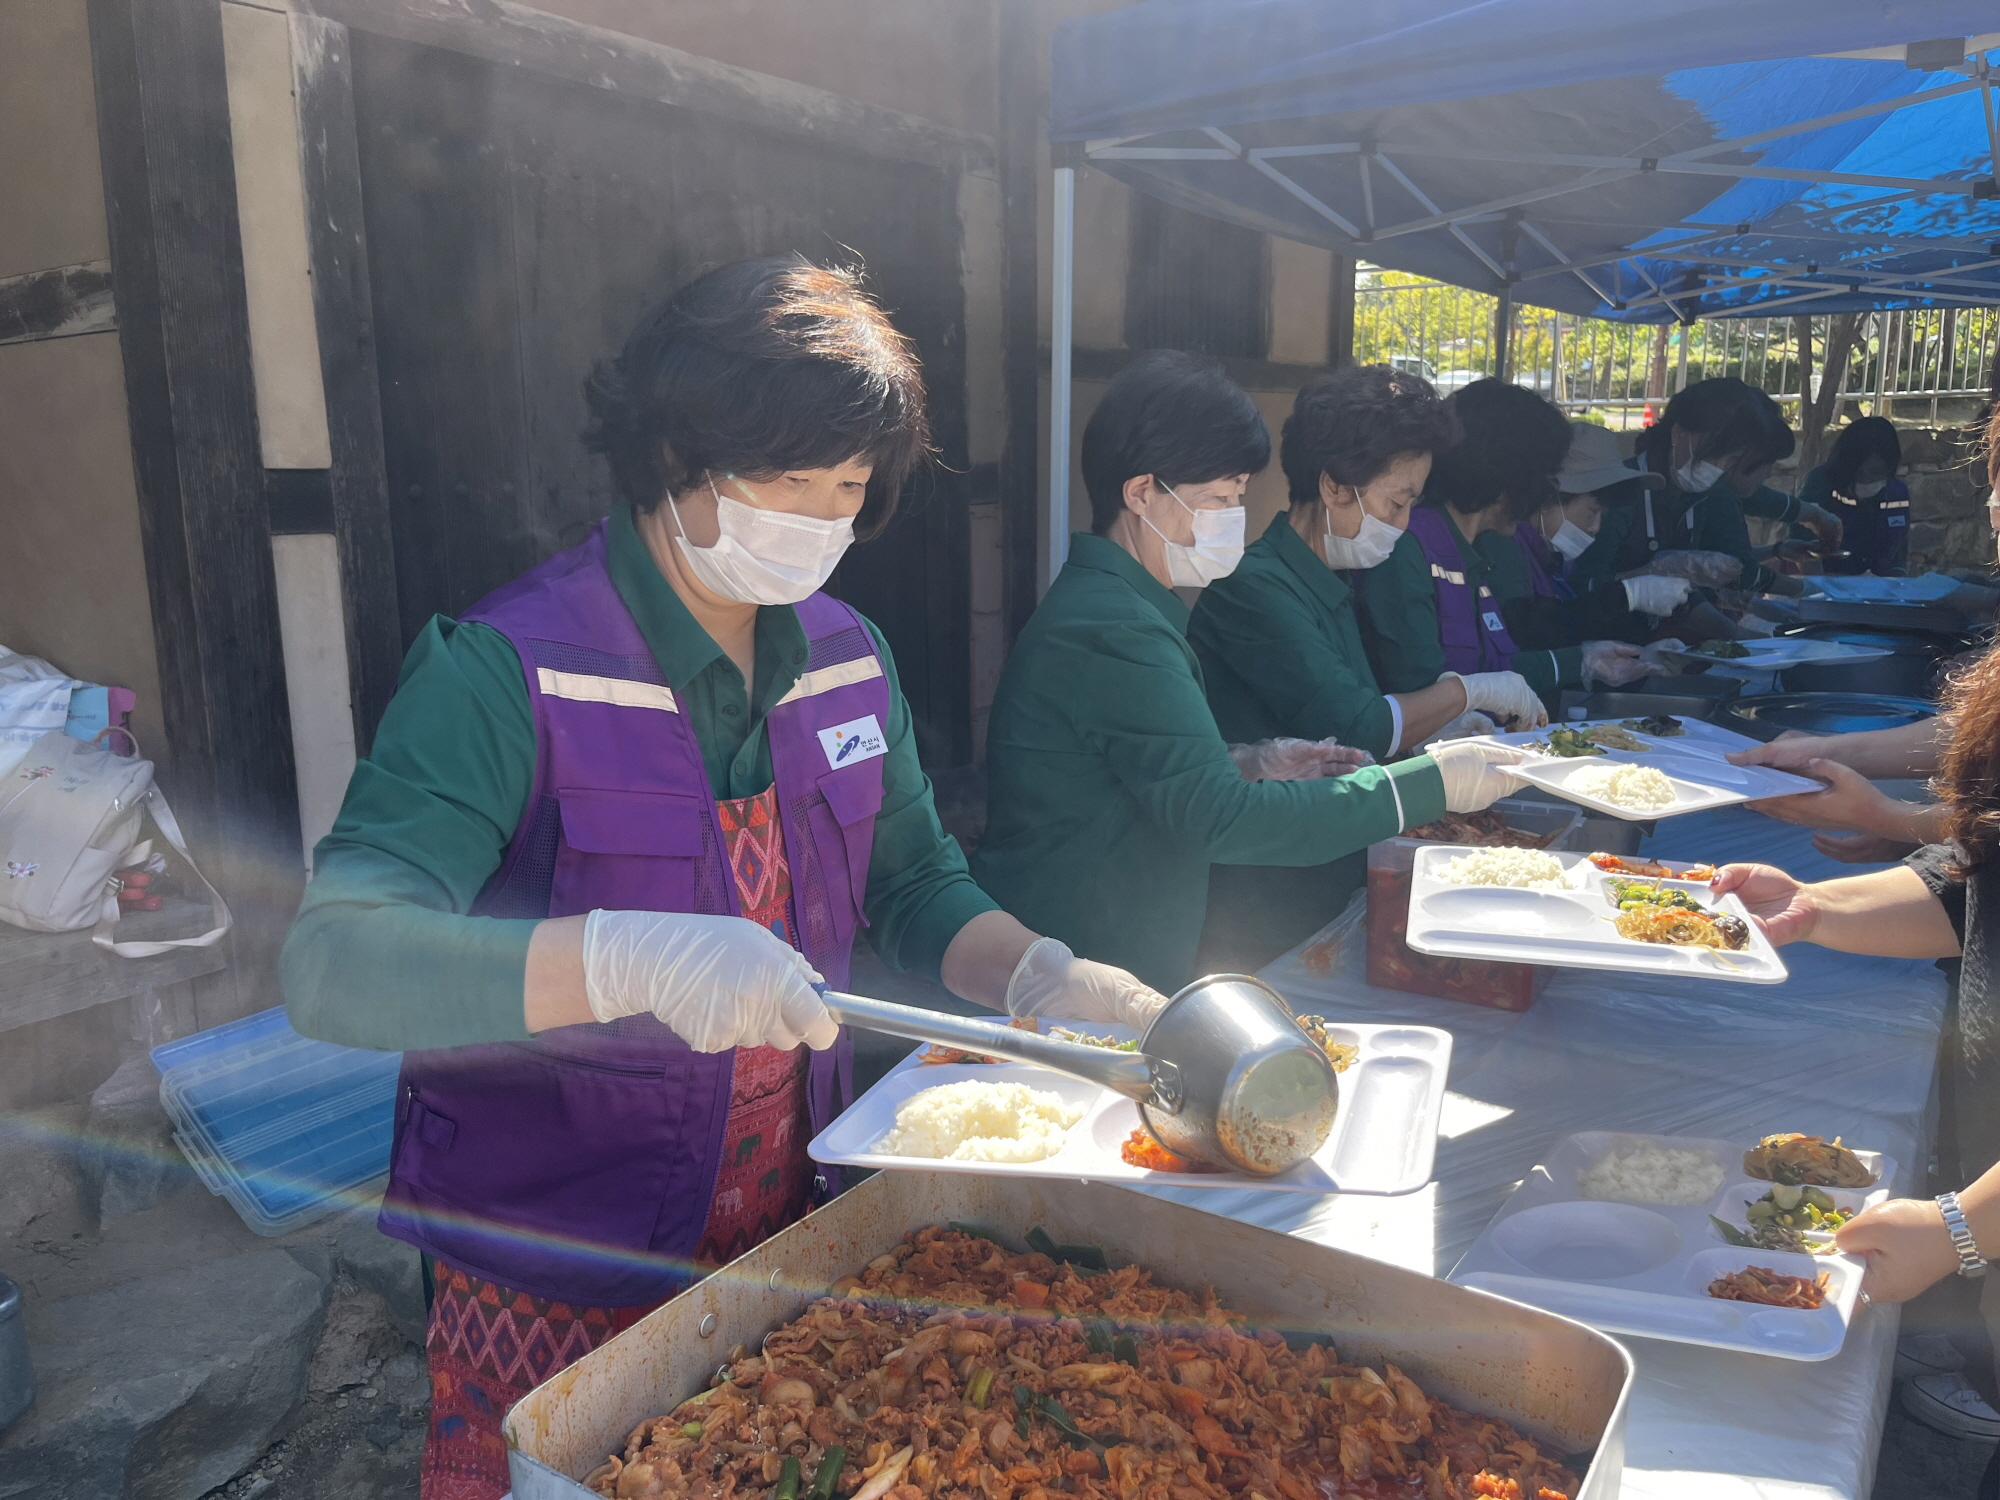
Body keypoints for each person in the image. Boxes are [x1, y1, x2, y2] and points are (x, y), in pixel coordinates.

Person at [280, 258, 1170, 1500]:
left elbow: (915, 884)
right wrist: (621, 960)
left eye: (848, 489)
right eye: (782, 480)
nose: (816, 518)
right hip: (551, 1261)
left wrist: (1039, 972)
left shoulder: (850, 662)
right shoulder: (505, 672)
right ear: (669, 457)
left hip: (788, 1229)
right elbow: (336, 964)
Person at [974, 351, 1528, 992]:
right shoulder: (1114, 626)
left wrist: (1247, 759)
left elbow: (1137, 771)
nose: (1232, 518)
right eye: (1216, 499)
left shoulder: (1129, 607)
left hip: (1113, 946)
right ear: (1140, 493)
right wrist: (1428, 786)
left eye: (1238, 494)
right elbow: (1218, 817)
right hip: (1083, 959)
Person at [1186, 364, 1529, 969]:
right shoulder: (1255, 587)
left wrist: (1438, 733)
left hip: (1333, 872)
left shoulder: (1331, 580)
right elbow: (1361, 724)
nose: (1401, 526)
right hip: (1264, 897)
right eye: (1396, 503)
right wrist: (1469, 691)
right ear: (1335, 487)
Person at [1350, 379, 1646, 716]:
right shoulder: (1411, 547)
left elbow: (1492, 667)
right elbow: (1422, 688)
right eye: (1544, 478)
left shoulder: (1474, 552)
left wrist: (1584, 660)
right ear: (1512, 475)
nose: (1545, 495)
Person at [1478, 419, 1688, 649]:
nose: (1595, 527)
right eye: (1592, 511)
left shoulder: (1548, 560)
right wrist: (1627, 596)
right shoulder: (1502, 545)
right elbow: (1527, 627)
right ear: (1551, 496)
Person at [1567, 377, 1775, 597]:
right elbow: (1584, 590)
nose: (1720, 466)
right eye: (1713, 453)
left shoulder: (1701, 496)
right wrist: (1651, 574)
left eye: (1731, 459)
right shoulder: (1621, 498)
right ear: (1678, 433)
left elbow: (1691, 599)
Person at [1792, 416, 1911, 576]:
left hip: (1878, 588)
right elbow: (1802, 542)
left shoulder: (1897, 494)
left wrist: (1897, 586)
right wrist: (1821, 589)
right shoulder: (1820, 483)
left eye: (1876, 472)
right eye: (1858, 471)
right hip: (1824, 582)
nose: (1866, 478)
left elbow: (1898, 551)